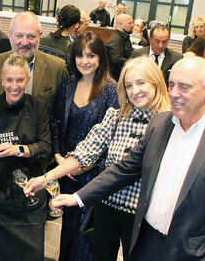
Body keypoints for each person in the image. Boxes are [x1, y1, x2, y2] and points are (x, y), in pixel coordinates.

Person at [52, 57, 205, 261]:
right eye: (171, 85)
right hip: (146, 241)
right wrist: (77, 198)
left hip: (193, 252)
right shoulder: (161, 123)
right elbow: (124, 169)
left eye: (184, 87)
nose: (174, 93)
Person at [26, 56, 171, 261]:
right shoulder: (116, 116)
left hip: (143, 216)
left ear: (156, 83)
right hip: (107, 208)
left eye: (141, 83)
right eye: (129, 85)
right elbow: (84, 153)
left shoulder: (171, 122)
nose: (135, 91)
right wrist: (44, 179)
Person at [0, 53, 51, 261]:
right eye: (9, 80)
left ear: (28, 80)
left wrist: (19, 150)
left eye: (20, 80)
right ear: (1, 79)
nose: (14, 86)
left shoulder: (38, 107)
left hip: (29, 192)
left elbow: (45, 146)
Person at [51, 31, 119, 260]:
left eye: (91, 55)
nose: (85, 61)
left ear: (101, 58)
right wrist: (60, 157)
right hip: (67, 173)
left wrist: (86, 166)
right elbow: (57, 122)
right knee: (68, 233)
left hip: (93, 176)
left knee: (86, 239)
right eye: (80, 55)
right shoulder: (68, 85)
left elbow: (111, 138)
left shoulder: (112, 91)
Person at [0, 11, 69, 115]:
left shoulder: (57, 67)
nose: (25, 42)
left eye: (31, 36)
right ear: (10, 34)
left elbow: (61, 114)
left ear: (40, 35)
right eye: (19, 36)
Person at [107, 13, 134, 80]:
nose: (133, 25)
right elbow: (116, 59)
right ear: (121, 25)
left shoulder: (124, 37)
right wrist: (133, 62)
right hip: (117, 78)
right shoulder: (115, 40)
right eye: (130, 23)